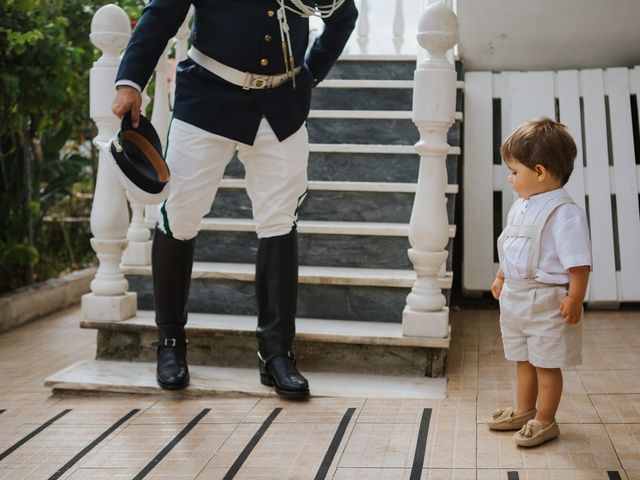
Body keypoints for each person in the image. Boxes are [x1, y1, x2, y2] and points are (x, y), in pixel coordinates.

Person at [111, 0, 358, 399]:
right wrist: (130, 82)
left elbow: (343, 15)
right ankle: (170, 342)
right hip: (206, 99)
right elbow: (162, 13)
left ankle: (276, 353)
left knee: (279, 221)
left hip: (281, 105)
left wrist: (310, 75)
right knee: (180, 215)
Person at [485, 117, 591, 447]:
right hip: (516, 298)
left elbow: (579, 263)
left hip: (546, 301)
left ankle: (545, 419)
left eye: (515, 171)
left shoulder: (564, 213)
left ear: (540, 172)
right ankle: (523, 409)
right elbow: (512, 245)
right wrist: (502, 274)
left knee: (546, 364)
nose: (510, 177)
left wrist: (574, 299)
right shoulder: (521, 207)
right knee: (523, 358)